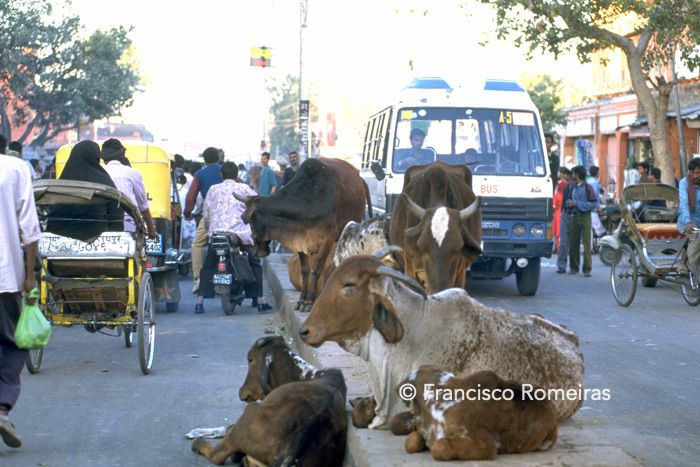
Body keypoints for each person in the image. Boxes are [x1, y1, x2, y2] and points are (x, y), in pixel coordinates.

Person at [0, 151, 42, 448]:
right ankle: (1, 408)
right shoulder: (15, 168)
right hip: (5, 275)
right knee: (15, 342)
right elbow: (30, 229)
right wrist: (29, 277)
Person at [195, 162, 273, 314]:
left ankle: (199, 302)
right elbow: (257, 208)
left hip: (217, 235)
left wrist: (210, 230)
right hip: (239, 235)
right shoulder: (244, 188)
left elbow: (206, 214)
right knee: (254, 263)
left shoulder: (213, 189)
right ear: (237, 175)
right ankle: (260, 301)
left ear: (221, 175)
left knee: (208, 265)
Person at [46, 140, 123, 242]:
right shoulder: (104, 181)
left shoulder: (64, 181)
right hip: (97, 242)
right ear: (96, 157)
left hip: (60, 241)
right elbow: (116, 216)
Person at [184, 148, 223, 293]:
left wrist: (188, 213)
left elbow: (191, 197)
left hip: (210, 216)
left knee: (197, 244)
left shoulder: (200, 174)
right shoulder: (226, 171)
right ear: (218, 158)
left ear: (205, 160)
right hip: (231, 217)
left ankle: (198, 278)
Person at [101, 139, 157, 238]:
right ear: (122, 155)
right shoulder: (132, 173)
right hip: (129, 229)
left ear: (104, 159)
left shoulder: (99, 172)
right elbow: (143, 207)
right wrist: (151, 230)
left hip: (102, 228)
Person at [564, 165, 598, 277]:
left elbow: (593, 204)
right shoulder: (572, 187)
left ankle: (587, 269)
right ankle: (574, 267)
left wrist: (577, 203)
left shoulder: (588, 187)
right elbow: (567, 200)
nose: (572, 175)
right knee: (573, 242)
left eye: (574, 173)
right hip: (574, 216)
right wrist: (569, 203)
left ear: (577, 174)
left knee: (586, 243)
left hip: (585, 216)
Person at [678, 158, 700, 280]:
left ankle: (684, 262)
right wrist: (687, 221)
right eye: (694, 173)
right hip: (687, 219)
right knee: (697, 238)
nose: (696, 176)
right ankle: (692, 267)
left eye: (699, 172)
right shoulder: (684, 183)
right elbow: (684, 204)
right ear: (690, 172)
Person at [555, 167, 572, 272]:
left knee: (564, 241)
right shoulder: (565, 185)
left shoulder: (563, 185)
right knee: (564, 241)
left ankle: (565, 265)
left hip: (564, 213)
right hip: (565, 212)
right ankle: (565, 266)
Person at [587, 166, 606, 237]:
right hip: (592, 208)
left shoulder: (588, 181)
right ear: (597, 173)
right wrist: (598, 207)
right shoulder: (595, 182)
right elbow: (594, 196)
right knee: (600, 230)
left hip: (587, 207)